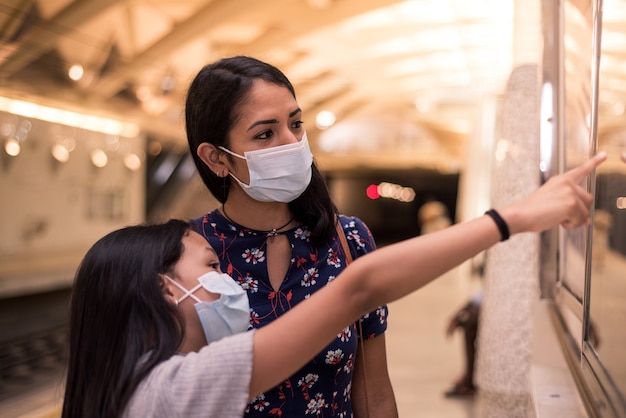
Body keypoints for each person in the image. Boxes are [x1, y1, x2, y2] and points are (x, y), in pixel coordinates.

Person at [60, 152, 606, 418]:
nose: (226, 279)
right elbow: (360, 288)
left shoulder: (124, 386)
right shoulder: (176, 390)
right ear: (163, 290)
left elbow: (373, 384)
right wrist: (513, 218)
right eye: (208, 267)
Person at [184, 55, 396, 417]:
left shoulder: (348, 241)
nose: (292, 143)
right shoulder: (186, 252)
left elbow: (373, 391)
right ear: (216, 158)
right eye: (265, 133)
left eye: (295, 124)